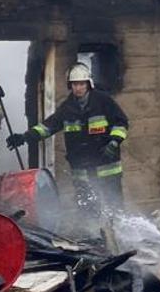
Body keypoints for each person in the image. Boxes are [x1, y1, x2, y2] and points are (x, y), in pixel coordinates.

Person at [8, 63, 129, 220]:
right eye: (74, 84)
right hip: (82, 169)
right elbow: (48, 127)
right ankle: (93, 237)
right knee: (87, 209)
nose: (78, 88)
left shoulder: (103, 101)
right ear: (70, 85)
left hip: (106, 165)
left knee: (114, 206)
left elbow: (121, 122)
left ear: (88, 84)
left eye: (81, 84)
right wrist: (24, 137)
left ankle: (122, 237)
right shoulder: (67, 108)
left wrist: (114, 142)